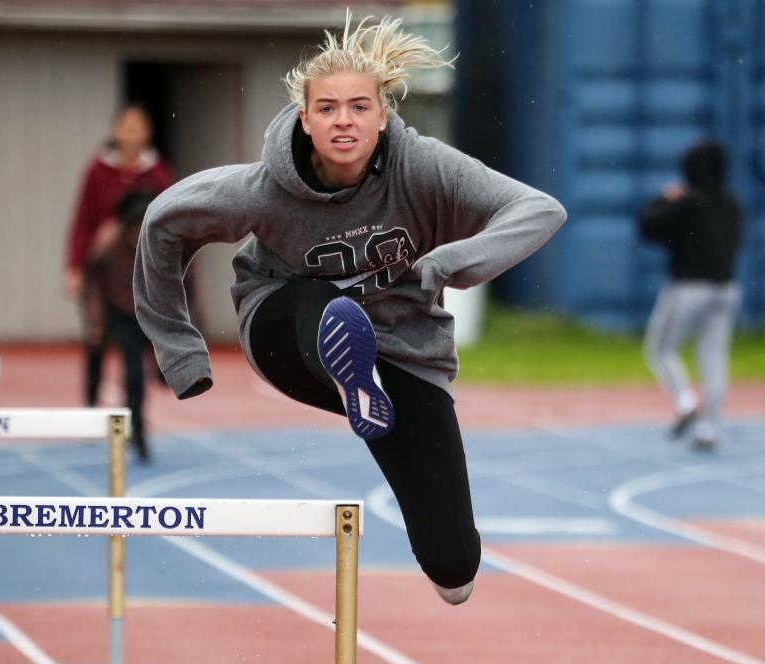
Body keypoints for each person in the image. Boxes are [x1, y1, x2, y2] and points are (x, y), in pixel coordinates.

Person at [134, 15, 566, 604]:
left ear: (383, 116)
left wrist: (452, 261)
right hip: (286, 330)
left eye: (359, 107)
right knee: (329, 310)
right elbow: (163, 223)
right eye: (329, 108)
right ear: (305, 119)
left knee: (455, 569)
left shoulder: (423, 166)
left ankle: (365, 390)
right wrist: (180, 351)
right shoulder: (264, 188)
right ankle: (348, 367)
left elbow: (540, 210)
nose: (344, 120)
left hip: (404, 350)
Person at [64, 102, 174, 441]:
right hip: (101, 276)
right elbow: (83, 221)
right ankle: (90, 409)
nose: (131, 133)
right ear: (115, 132)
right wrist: (74, 266)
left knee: (136, 350)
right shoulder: (97, 171)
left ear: (147, 133)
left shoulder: (159, 175)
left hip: (140, 277)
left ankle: (137, 425)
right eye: (125, 126)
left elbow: (173, 221)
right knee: (95, 341)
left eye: (138, 127)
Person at [638, 140, 743, 452]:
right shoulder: (732, 203)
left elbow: (648, 227)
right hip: (726, 290)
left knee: (660, 349)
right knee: (714, 360)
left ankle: (685, 402)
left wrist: (664, 198)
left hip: (688, 288)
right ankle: (708, 430)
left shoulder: (686, 202)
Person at [83, 190, 158, 461]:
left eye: (143, 227)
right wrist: (96, 323)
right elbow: (91, 286)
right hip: (112, 307)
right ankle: (93, 413)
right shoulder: (108, 246)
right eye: (133, 227)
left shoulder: (161, 240)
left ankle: (138, 435)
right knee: (101, 359)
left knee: (141, 375)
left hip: (143, 309)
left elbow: (186, 284)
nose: (138, 234)